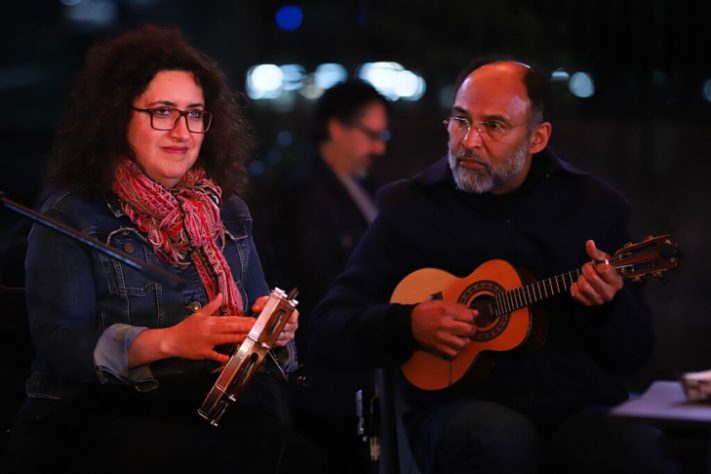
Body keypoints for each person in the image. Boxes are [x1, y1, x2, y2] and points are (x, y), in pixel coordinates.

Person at [308, 57, 677, 473]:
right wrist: (407, 324)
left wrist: (608, 305)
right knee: (496, 438)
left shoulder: (595, 208)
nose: (468, 141)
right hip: (460, 415)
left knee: (644, 449)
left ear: (538, 138)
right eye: (460, 120)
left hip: (576, 414)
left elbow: (633, 356)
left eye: (494, 126)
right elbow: (327, 328)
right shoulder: (410, 207)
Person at [5, 25, 326, 474]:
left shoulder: (228, 210)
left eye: (195, 114)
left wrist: (273, 332)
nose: (182, 131)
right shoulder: (73, 214)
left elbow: (258, 336)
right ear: (117, 117)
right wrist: (171, 342)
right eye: (162, 112)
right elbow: (60, 346)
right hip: (98, 418)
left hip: (212, 413)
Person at [268, 79, 389, 473]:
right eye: (371, 134)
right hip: (328, 376)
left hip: (362, 359)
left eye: (381, 135)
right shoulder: (304, 193)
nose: (379, 147)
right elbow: (318, 282)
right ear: (337, 127)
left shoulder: (367, 186)